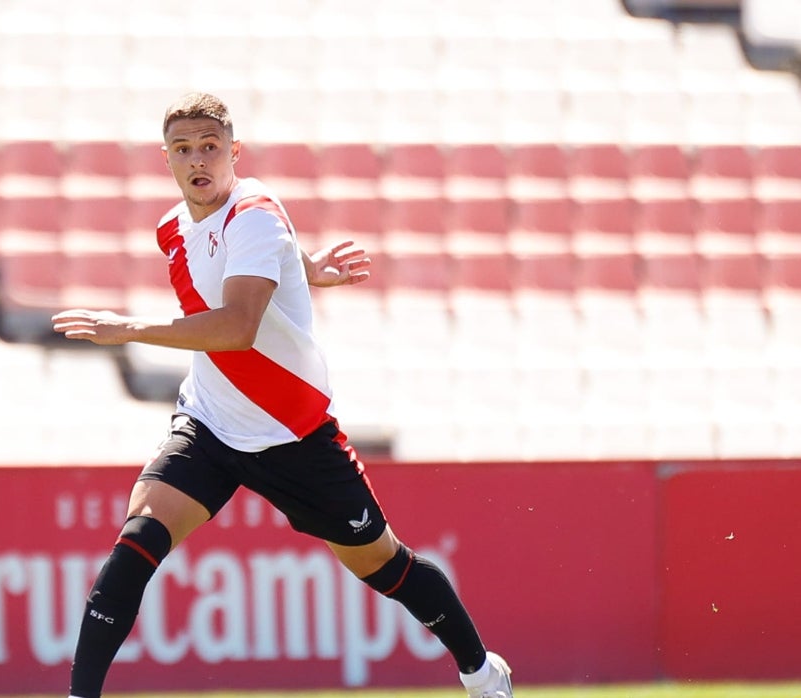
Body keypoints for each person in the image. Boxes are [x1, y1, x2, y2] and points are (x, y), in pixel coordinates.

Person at [51, 92, 513, 698]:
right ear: (165, 159)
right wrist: (306, 268)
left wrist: (130, 328)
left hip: (293, 434)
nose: (198, 160)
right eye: (183, 149)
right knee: (139, 536)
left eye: (210, 147)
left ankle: (481, 671)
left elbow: (237, 329)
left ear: (233, 153)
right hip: (211, 424)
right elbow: (261, 259)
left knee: (386, 566)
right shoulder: (173, 227)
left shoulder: (256, 214)